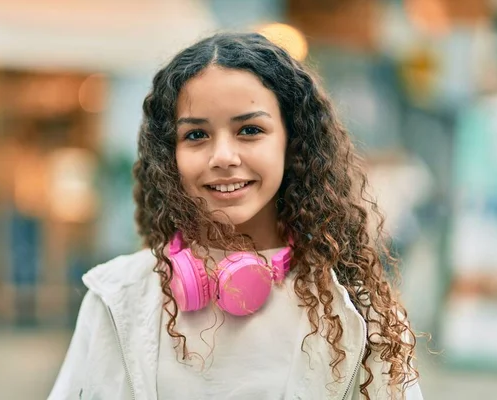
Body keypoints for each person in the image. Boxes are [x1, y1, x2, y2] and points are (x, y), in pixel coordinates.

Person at [48, 32, 423, 400]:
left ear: (292, 145)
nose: (223, 156)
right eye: (196, 135)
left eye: (249, 130)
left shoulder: (361, 315)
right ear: (170, 156)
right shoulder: (116, 298)